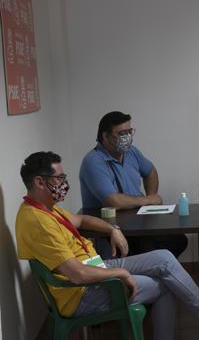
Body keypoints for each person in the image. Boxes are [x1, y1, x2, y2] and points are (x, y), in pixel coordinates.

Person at [16, 152, 199, 340]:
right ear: (39, 181)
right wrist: (120, 272)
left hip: (95, 266)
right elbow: (76, 274)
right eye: (60, 178)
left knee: (165, 257)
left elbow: (81, 220)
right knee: (166, 285)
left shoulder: (46, 207)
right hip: (81, 294)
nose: (64, 184)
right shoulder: (37, 221)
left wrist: (112, 229)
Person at [80, 111, 188, 258]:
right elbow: (113, 201)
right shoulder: (93, 161)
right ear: (105, 136)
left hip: (138, 223)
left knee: (178, 240)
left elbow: (150, 171)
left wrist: (151, 195)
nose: (127, 137)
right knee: (152, 250)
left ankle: (155, 275)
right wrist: (149, 200)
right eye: (122, 133)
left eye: (129, 132)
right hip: (111, 229)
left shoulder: (132, 152)